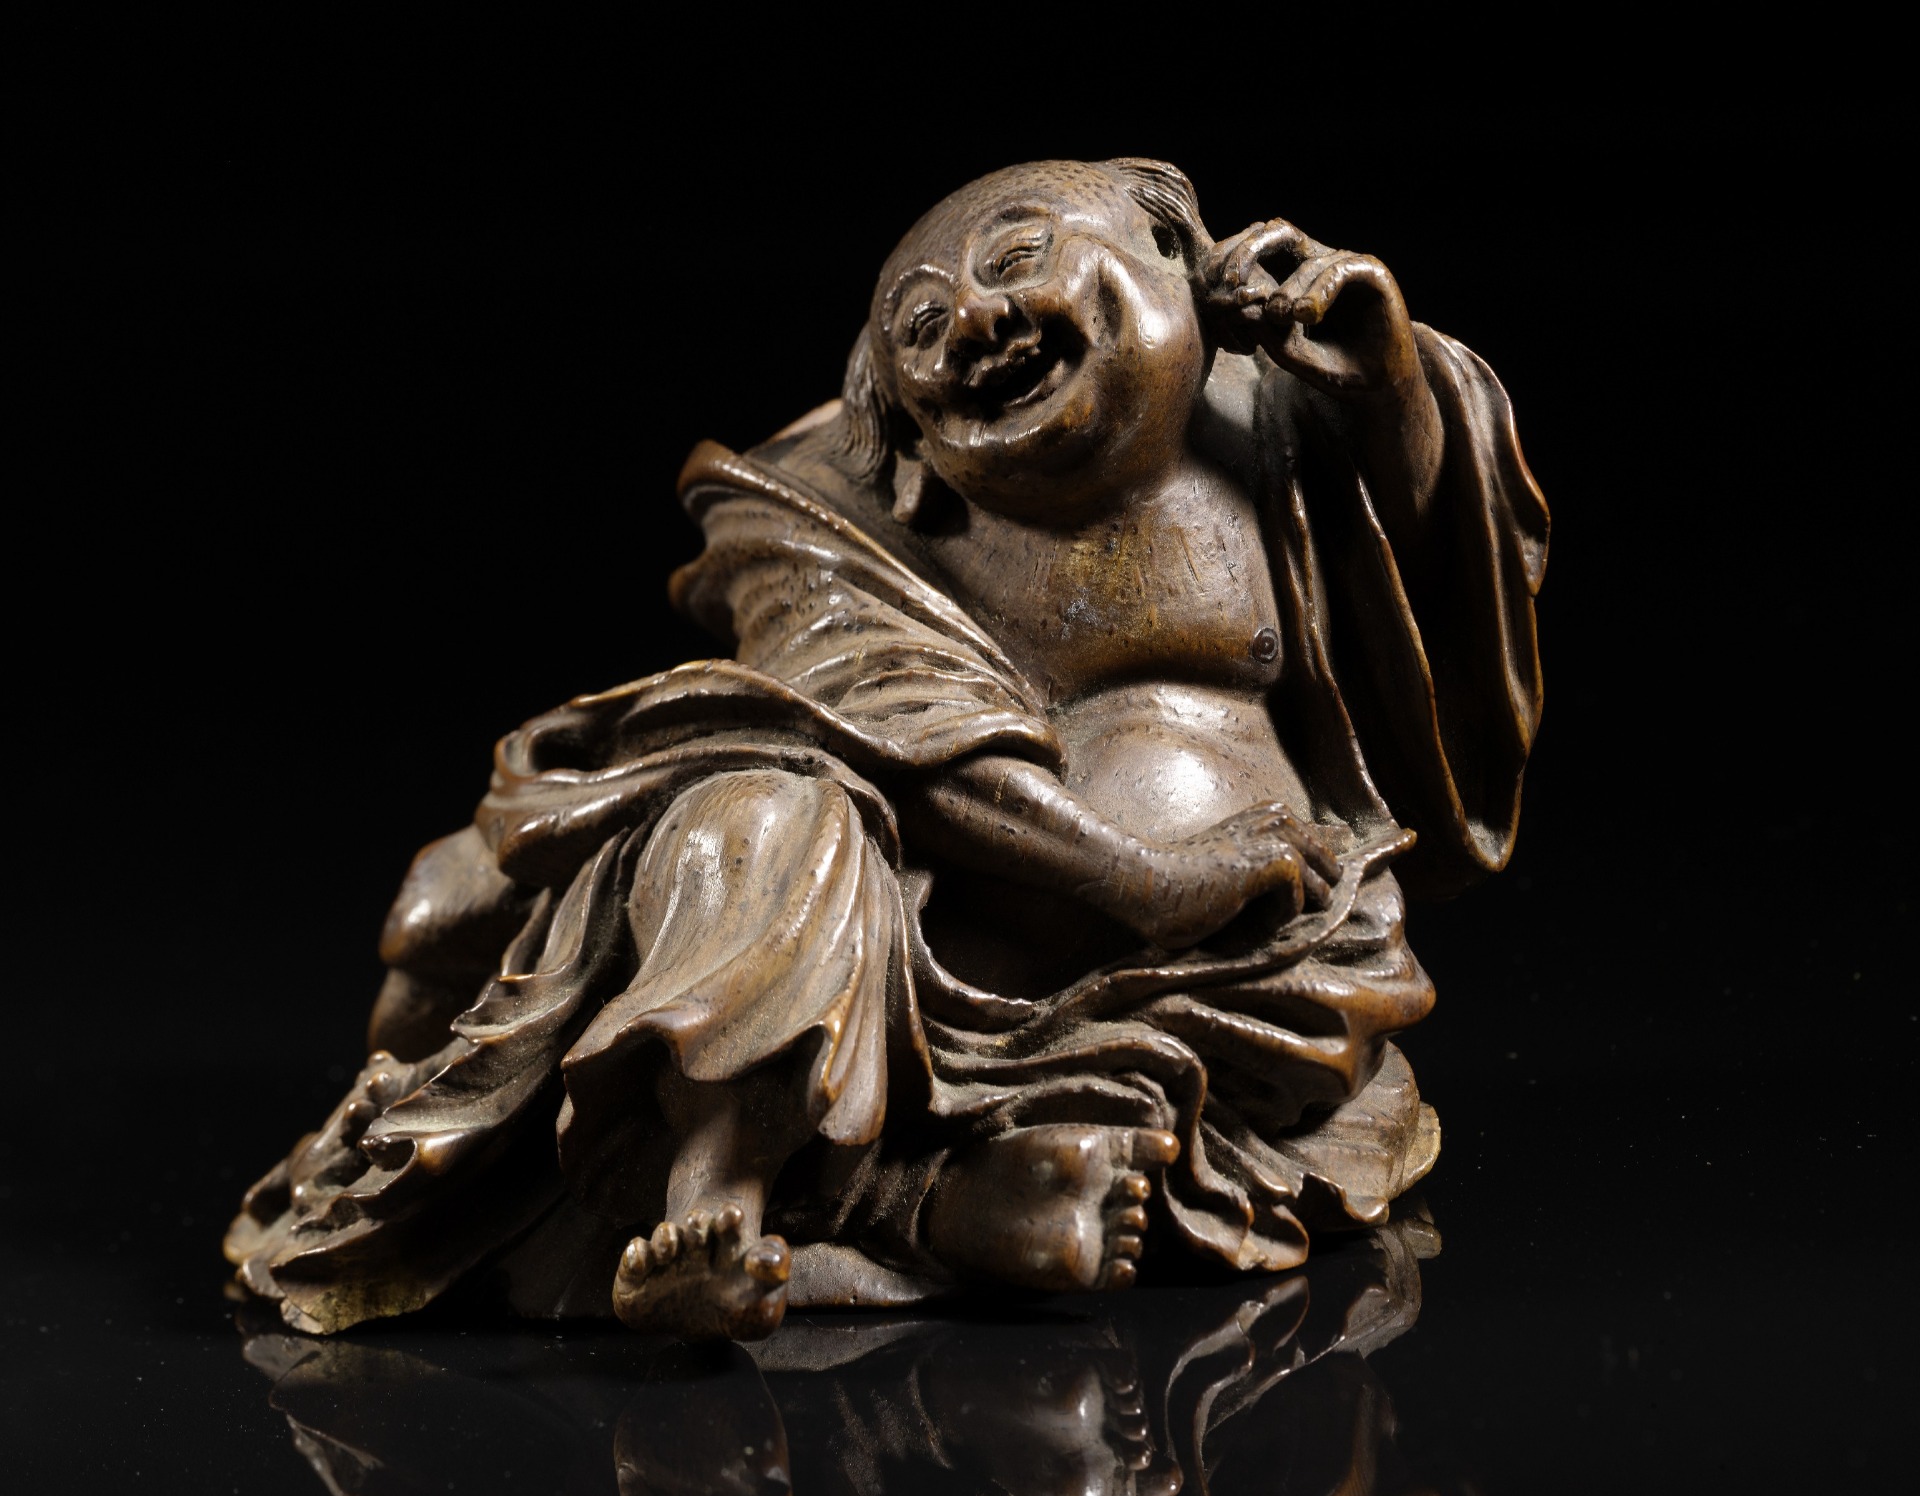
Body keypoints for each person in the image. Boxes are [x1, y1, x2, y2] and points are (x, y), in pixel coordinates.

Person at [226, 159, 1546, 1341]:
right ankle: (727, 1204)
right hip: (923, 968)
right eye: (920, 327)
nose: (974, 320)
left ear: (1171, 246)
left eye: (1019, 256)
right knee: (761, 800)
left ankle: (928, 1201)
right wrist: (1144, 877)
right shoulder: (833, 511)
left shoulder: (1279, 421)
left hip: (1251, 964)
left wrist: (1388, 381)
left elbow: (1446, 599)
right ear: (899, 427)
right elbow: (887, 726)